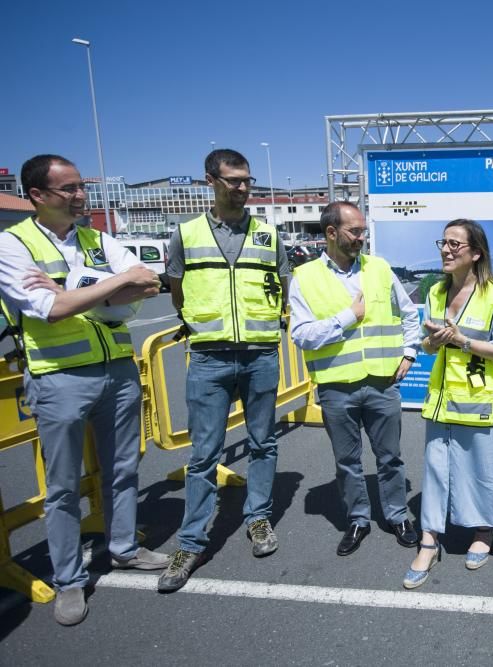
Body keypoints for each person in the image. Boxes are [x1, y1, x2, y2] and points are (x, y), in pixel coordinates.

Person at [0, 154, 168, 625]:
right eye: (68, 189)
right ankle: (69, 579)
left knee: (122, 469)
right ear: (36, 195)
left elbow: (148, 283)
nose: (79, 196)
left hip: (116, 369)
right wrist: (109, 288)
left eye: (80, 187)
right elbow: (45, 310)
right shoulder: (12, 244)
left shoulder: (97, 238)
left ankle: (122, 548)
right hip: (59, 376)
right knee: (63, 486)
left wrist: (69, 288)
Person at [157, 148, 290, 592]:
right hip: (210, 357)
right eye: (234, 180)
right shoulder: (186, 234)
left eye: (247, 180)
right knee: (203, 457)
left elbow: (281, 287)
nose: (243, 188)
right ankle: (191, 543)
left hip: (260, 355)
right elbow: (177, 293)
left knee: (262, 443)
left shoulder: (269, 236)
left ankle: (258, 519)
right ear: (210, 181)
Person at [289, 201, 420, 555]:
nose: (362, 237)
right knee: (347, 461)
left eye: (363, 230)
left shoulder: (378, 268)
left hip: (381, 383)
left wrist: (409, 352)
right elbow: (300, 334)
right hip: (336, 388)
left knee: (390, 457)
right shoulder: (305, 278)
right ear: (331, 233)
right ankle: (358, 519)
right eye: (355, 231)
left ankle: (397, 515)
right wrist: (349, 316)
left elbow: (409, 315)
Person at [403, 219, 493, 589]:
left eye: (456, 244)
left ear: (476, 253)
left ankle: (484, 531)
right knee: (436, 469)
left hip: (481, 399)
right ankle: (429, 540)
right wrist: (434, 344)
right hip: (442, 399)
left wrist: (462, 340)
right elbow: (428, 344)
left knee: (483, 468)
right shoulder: (435, 292)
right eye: (444, 242)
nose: (447, 250)